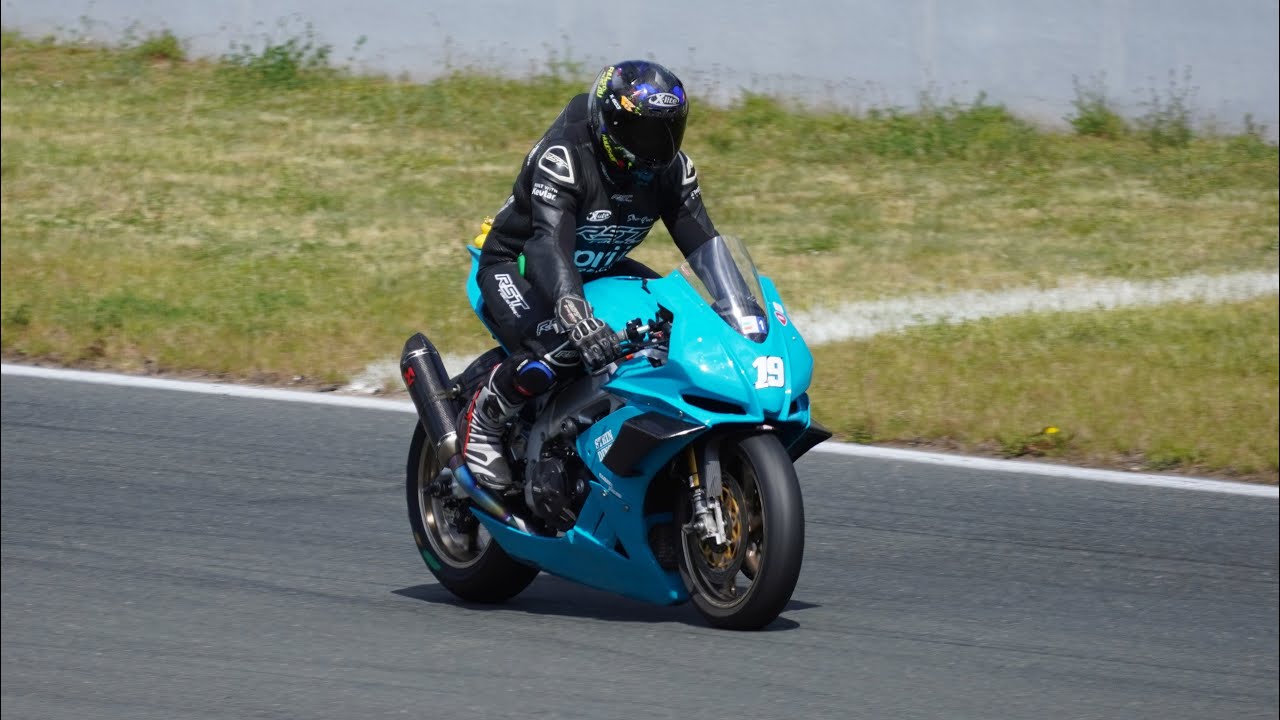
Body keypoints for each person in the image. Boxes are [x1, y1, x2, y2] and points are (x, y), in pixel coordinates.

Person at [461, 59, 721, 492]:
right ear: (609, 123)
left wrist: (740, 310)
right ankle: (483, 420)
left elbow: (704, 245)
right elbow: (546, 244)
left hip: (601, 267)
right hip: (518, 264)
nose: (657, 147)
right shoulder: (565, 157)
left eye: (668, 132)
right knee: (562, 345)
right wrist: (575, 313)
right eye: (643, 133)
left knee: (676, 329)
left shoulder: (672, 171)